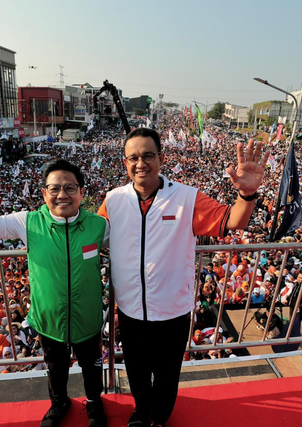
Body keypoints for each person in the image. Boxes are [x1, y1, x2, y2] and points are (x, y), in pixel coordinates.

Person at [97, 128, 268, 427]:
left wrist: (247, 193)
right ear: (125, 163)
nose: (141, 164)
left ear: (161, 158)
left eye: (148, 156)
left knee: (166, 372)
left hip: (172, 309)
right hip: (129, 308)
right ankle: (141, 411)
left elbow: (235, 220)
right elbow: (91, 237)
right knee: (136, 368)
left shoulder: (187, 198)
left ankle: (160, 417)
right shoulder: (113, 200)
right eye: (133, 157)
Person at [0, 138, 109, 427]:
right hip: (48, 319)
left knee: (92, 367)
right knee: (55, 368)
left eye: (70, 187)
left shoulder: (99, 225)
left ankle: (94, 403)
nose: (62, 194)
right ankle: (59, 403)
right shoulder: (27, 222)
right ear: (44, 193)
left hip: (88, 318)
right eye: (54, 188)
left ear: (82, 192)